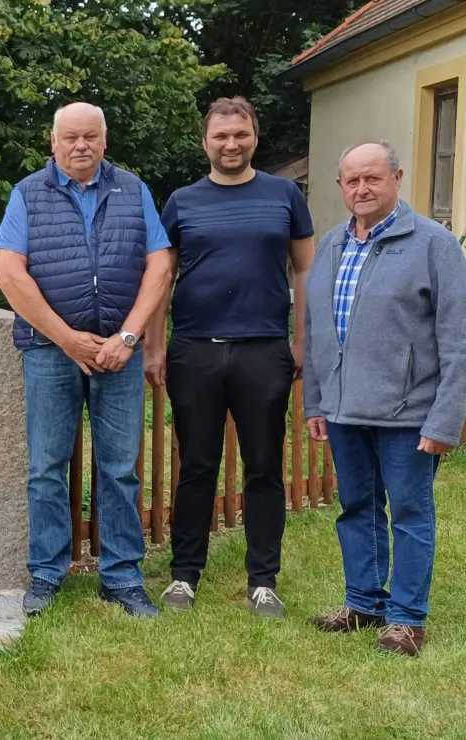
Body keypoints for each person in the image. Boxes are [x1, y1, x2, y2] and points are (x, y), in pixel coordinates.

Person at [0, 101, 174, 618]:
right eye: (70, 137)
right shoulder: (28, 193)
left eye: (90, 137)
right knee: (47, 467)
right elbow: (10, 275)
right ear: (53, 142)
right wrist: (68, 338)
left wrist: (128, 336)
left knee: (119, 468)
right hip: (51, 352)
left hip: (120, 352)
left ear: (104, 138)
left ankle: (121, 578)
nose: (80, 146)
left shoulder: (134, 190)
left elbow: (159, 267)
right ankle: (47, 574)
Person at [303, 141, 466, 656]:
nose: (362, 188)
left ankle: (405, 620)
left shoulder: (433, 245)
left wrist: (444, 421)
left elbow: (461, 341)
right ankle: (362, 603)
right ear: (340, 187)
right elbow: (317, 333)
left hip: (409, 414)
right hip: (344, 411)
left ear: (397, 178)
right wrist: (317, 402)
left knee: (409, 513)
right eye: (352, 180)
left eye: (373, 178)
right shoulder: (332, 245)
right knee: (356, 507)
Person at [146, 98, 315, 618]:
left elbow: (305, 271)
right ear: (206, 142)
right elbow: (161, 274)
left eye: (240, 134)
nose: (231, 144)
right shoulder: (181, 201)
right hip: (194, 350)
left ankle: (263, 580)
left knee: (264, 467)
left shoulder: (285, 195)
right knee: (196, 466)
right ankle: (183, 576)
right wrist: (154, 345)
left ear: (254, 138)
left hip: (264, 349)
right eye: (221, 136)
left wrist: (302, 341)